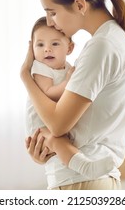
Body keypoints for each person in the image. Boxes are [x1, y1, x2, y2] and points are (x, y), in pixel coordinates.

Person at [21, 0, 125, 190]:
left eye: (52, 12)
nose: (49, 22)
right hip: (83, 179)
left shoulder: (102, 46)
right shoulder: (110, 39)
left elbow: (57, 125)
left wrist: (26, 76)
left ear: (79, 5)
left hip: (82, 182)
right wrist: (44, 151)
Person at [26, 16, 115, 180]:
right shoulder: (40, 68)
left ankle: (85, 164)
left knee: (62, 141)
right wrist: (68, 82)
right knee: (57, 140)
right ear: (32, 49)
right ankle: (85, 166)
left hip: (54, 120)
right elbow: (48, 92)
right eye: (40, 45)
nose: (47, 49)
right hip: (41, 125)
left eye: (55, 44)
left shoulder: (67, 67)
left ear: (69, 48)